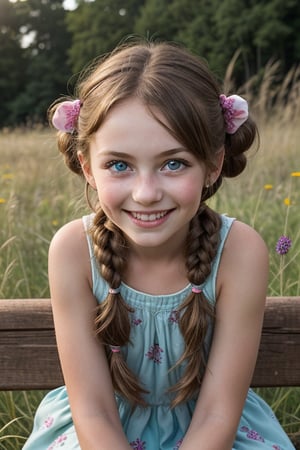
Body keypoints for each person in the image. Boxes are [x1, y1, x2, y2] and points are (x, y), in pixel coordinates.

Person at [23, 41, 295, 450]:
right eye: (119, 165)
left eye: (174, 163)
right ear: (87, 167)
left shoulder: (239, 252)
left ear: (214, 165)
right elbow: (93, 409)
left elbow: (219, 413)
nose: (146, 193)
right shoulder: (73, 251)